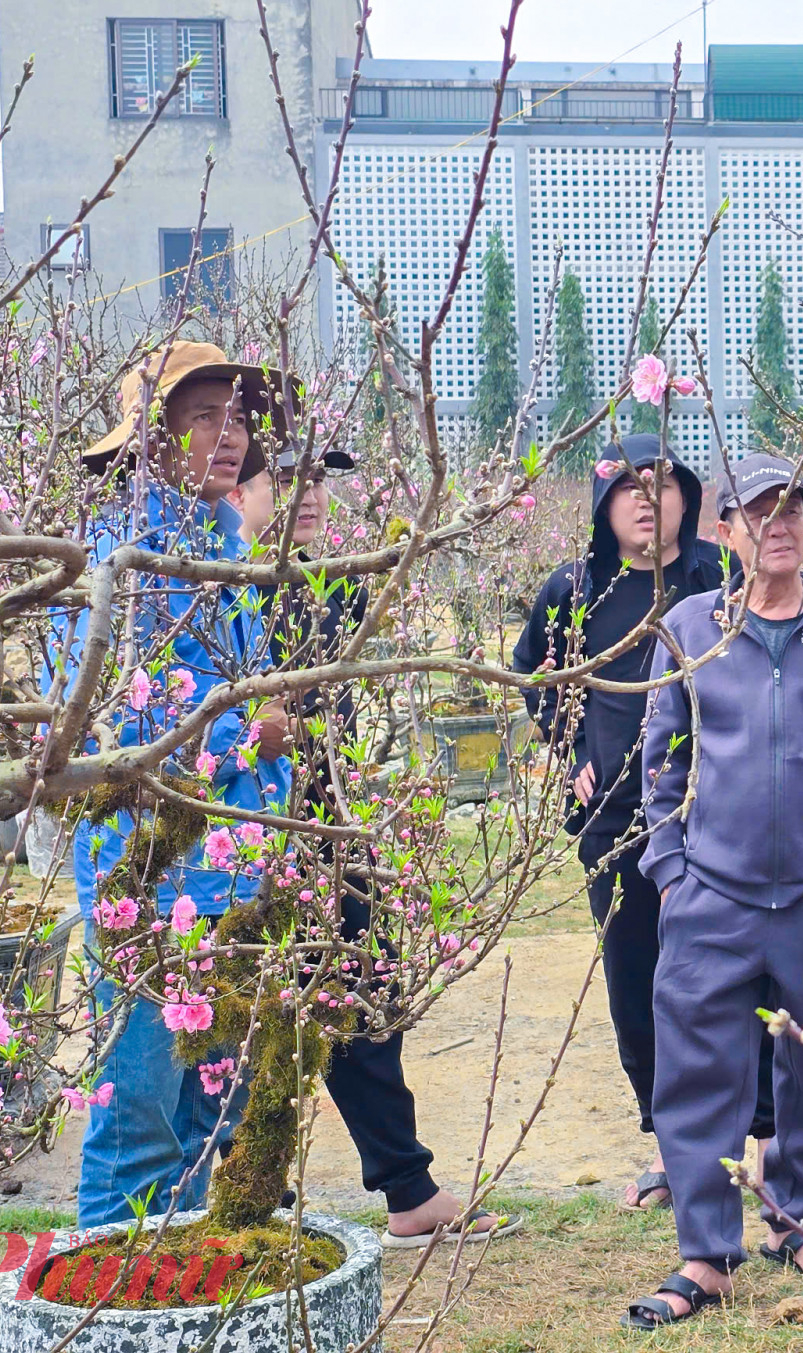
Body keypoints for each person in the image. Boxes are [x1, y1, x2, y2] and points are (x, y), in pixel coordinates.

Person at [622, 453, 803, 1329]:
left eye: (792, 506)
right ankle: (704, 1255)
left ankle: (792, 1213)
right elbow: (661, 759)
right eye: (758, 510)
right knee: (698, 1072)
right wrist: (671, 868)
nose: (778, 522)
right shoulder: (692, 626)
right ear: (727, 532)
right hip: (713, 893)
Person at [242, 448, 520, 1248]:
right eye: (282, 478)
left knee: (367, 994)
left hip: (330, 832)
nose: (308, 495)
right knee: (253, 1022)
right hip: (244, 846)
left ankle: (406, 1189)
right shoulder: (222, 594)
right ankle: (251, 1195)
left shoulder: (341, 585)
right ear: (236, 491)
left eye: (319, 479)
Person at [60, 341, 295, 1227]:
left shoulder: (226, 536)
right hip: (149, 872)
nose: (229, 436)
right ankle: (109, 1301)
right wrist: (253, 731)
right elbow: (115, 713)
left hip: (234, 859)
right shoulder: (122, 553)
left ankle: (184, 1286)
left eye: (239, 418)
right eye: (205, 417)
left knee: (213, 1107)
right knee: (140, 1109)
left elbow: (248, 672)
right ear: (151, 435)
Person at [512, 433, 775, 1211]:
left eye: (658, 482)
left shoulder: (722, 576)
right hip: (618, 821)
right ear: (602, 502)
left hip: (722, 817)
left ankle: (763, 1142)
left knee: (742, 977)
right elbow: (536, 670)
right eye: (624, 484)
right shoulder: (574, 588)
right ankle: (675, 1150)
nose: (641, 497)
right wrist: (570, 747)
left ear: (686, 498)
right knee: (641, 986)